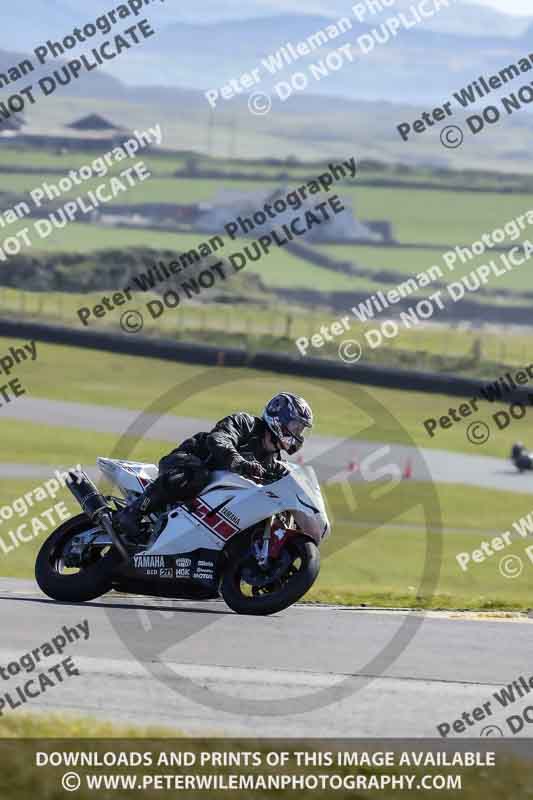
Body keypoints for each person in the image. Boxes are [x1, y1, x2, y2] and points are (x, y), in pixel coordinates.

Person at [115, 392, 313, 541]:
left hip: (213, 499)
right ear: (279, 418)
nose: (298, 434)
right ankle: (134, 512)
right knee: (197, 474)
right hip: (187, 461)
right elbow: (218, 439)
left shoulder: (274, 459)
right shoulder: (245, 423)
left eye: (301, 429)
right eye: (296, 426)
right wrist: (240, 463)